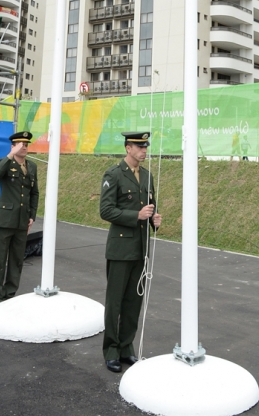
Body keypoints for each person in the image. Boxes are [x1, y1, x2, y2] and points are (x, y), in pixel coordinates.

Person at [100, 131, 162, 373]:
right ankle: (111, 350)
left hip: (141, 249)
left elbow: (151, 209)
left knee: (133, 302)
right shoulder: (114, 174)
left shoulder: (147, 176)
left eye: (145, 146)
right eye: (139, 146)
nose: (144, 150)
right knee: (114, 303)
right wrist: (135, 216)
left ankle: (127, 348)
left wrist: (155, 221)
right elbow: (105, 210)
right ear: (128, 148)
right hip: (120, 248)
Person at [0, 130, 39, 304]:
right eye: (20, 145)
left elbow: (34, 193)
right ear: (13, 146)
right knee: (0, 259)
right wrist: (10, 154)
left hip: (22, 221)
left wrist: (31, 216)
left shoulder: (32, 166)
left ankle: (10, 294)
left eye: (26, 145)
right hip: (5, 220)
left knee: (17, 260)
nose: (24, 147)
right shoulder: (5, 163)